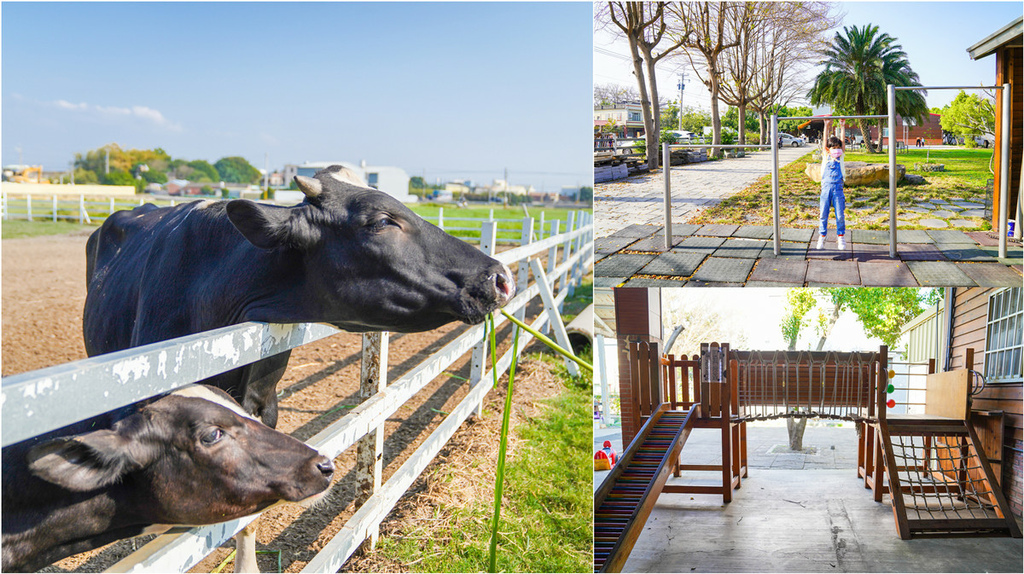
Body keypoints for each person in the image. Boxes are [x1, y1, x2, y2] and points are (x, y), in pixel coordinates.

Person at [818, 136, 847, 250]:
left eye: (838, 147)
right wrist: (826, 125)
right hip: (826, 189)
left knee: (840, 215)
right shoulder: (826, 157)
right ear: (828, 149)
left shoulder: (841, 158)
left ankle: (840, 237)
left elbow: (843, 142)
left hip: (838, 189)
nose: (837, 150)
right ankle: (822, 236)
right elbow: (825, 141)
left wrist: (843, 126)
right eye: (834, 147)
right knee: (823, 214)